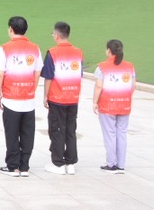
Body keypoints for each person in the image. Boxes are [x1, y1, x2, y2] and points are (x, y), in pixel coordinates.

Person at [0, 16, 42, 177]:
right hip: (28, 98)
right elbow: (37, 72)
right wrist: (31, 89)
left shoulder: (5, 48)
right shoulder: (35, 48)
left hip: (11, 97)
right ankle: (24, 166)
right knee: (28, 133)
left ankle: (13, 166)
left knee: (12, 133)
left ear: (10, 29)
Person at [41, 22, 84, 175]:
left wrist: (45, 95)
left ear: (57, 36)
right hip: (73, 97)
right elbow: (79, 74)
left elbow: (48, 77)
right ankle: (70, 163)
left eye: (53, 34)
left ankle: (58, 163)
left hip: (58, 98)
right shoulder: (78, 52)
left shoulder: (53, 53)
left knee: (57, 130)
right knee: (70, 130)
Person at [93, 40, 136, 174]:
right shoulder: (130, 67)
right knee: (121, 134)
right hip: (124, 104)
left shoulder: (102, 67)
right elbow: (133, 86)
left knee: (110, 134)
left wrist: (94, 102)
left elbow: (99, 86)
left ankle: (111, 164)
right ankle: (121, 164)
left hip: (107, 105)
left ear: (108, 51)